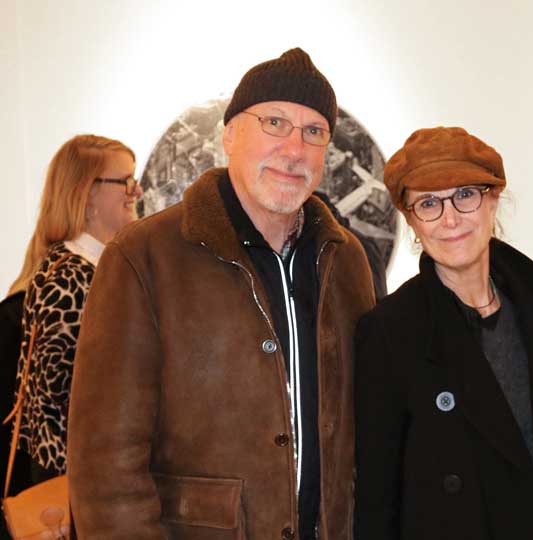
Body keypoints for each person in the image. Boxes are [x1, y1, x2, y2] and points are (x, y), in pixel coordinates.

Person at [67, 48, 375, 540]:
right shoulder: (144, 256)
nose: (294, 148)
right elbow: (105, 465)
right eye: (274, 122)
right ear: (229, 134)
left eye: (314, 131)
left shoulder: (346, 260)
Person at [354, 127, 533, 540]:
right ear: (411, 220)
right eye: (429, 203)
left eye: (465, 195)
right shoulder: (390, 333)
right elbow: (377, 500)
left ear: (493, 199)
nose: (450, 219)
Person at [6, 134, 139, 484]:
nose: (136, 192)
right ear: (88, 192)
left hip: (90, 471)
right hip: (77, 477)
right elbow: (58, 393)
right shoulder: (69, 276)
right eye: (126, 181)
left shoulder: (91, 268)